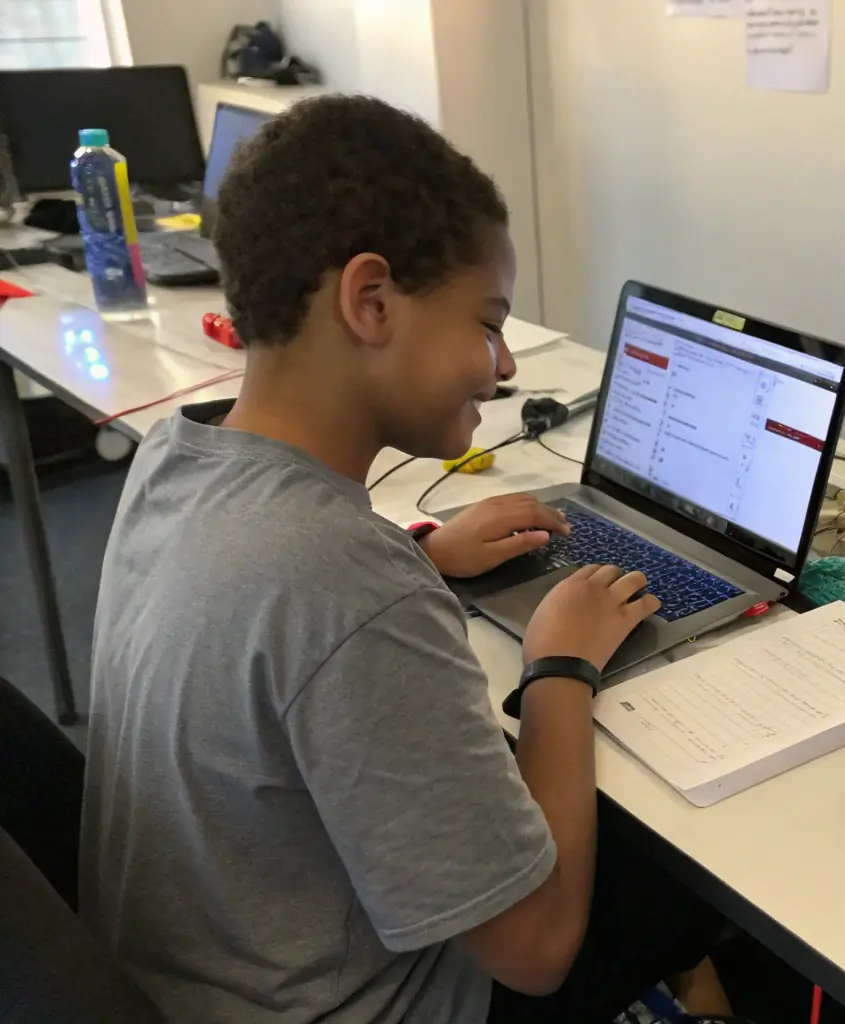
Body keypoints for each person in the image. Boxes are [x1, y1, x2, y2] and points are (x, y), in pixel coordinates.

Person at [80, 95, 732, 1024]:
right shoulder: (344, 584)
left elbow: (269, 616)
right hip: (368, 1005)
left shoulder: (173, 455)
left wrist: (417, 554)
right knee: (684, 868)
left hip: (199, 974)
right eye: (487, 322)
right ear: (371, 301)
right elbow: (536, 952)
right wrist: (558, 665)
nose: (503, 365)